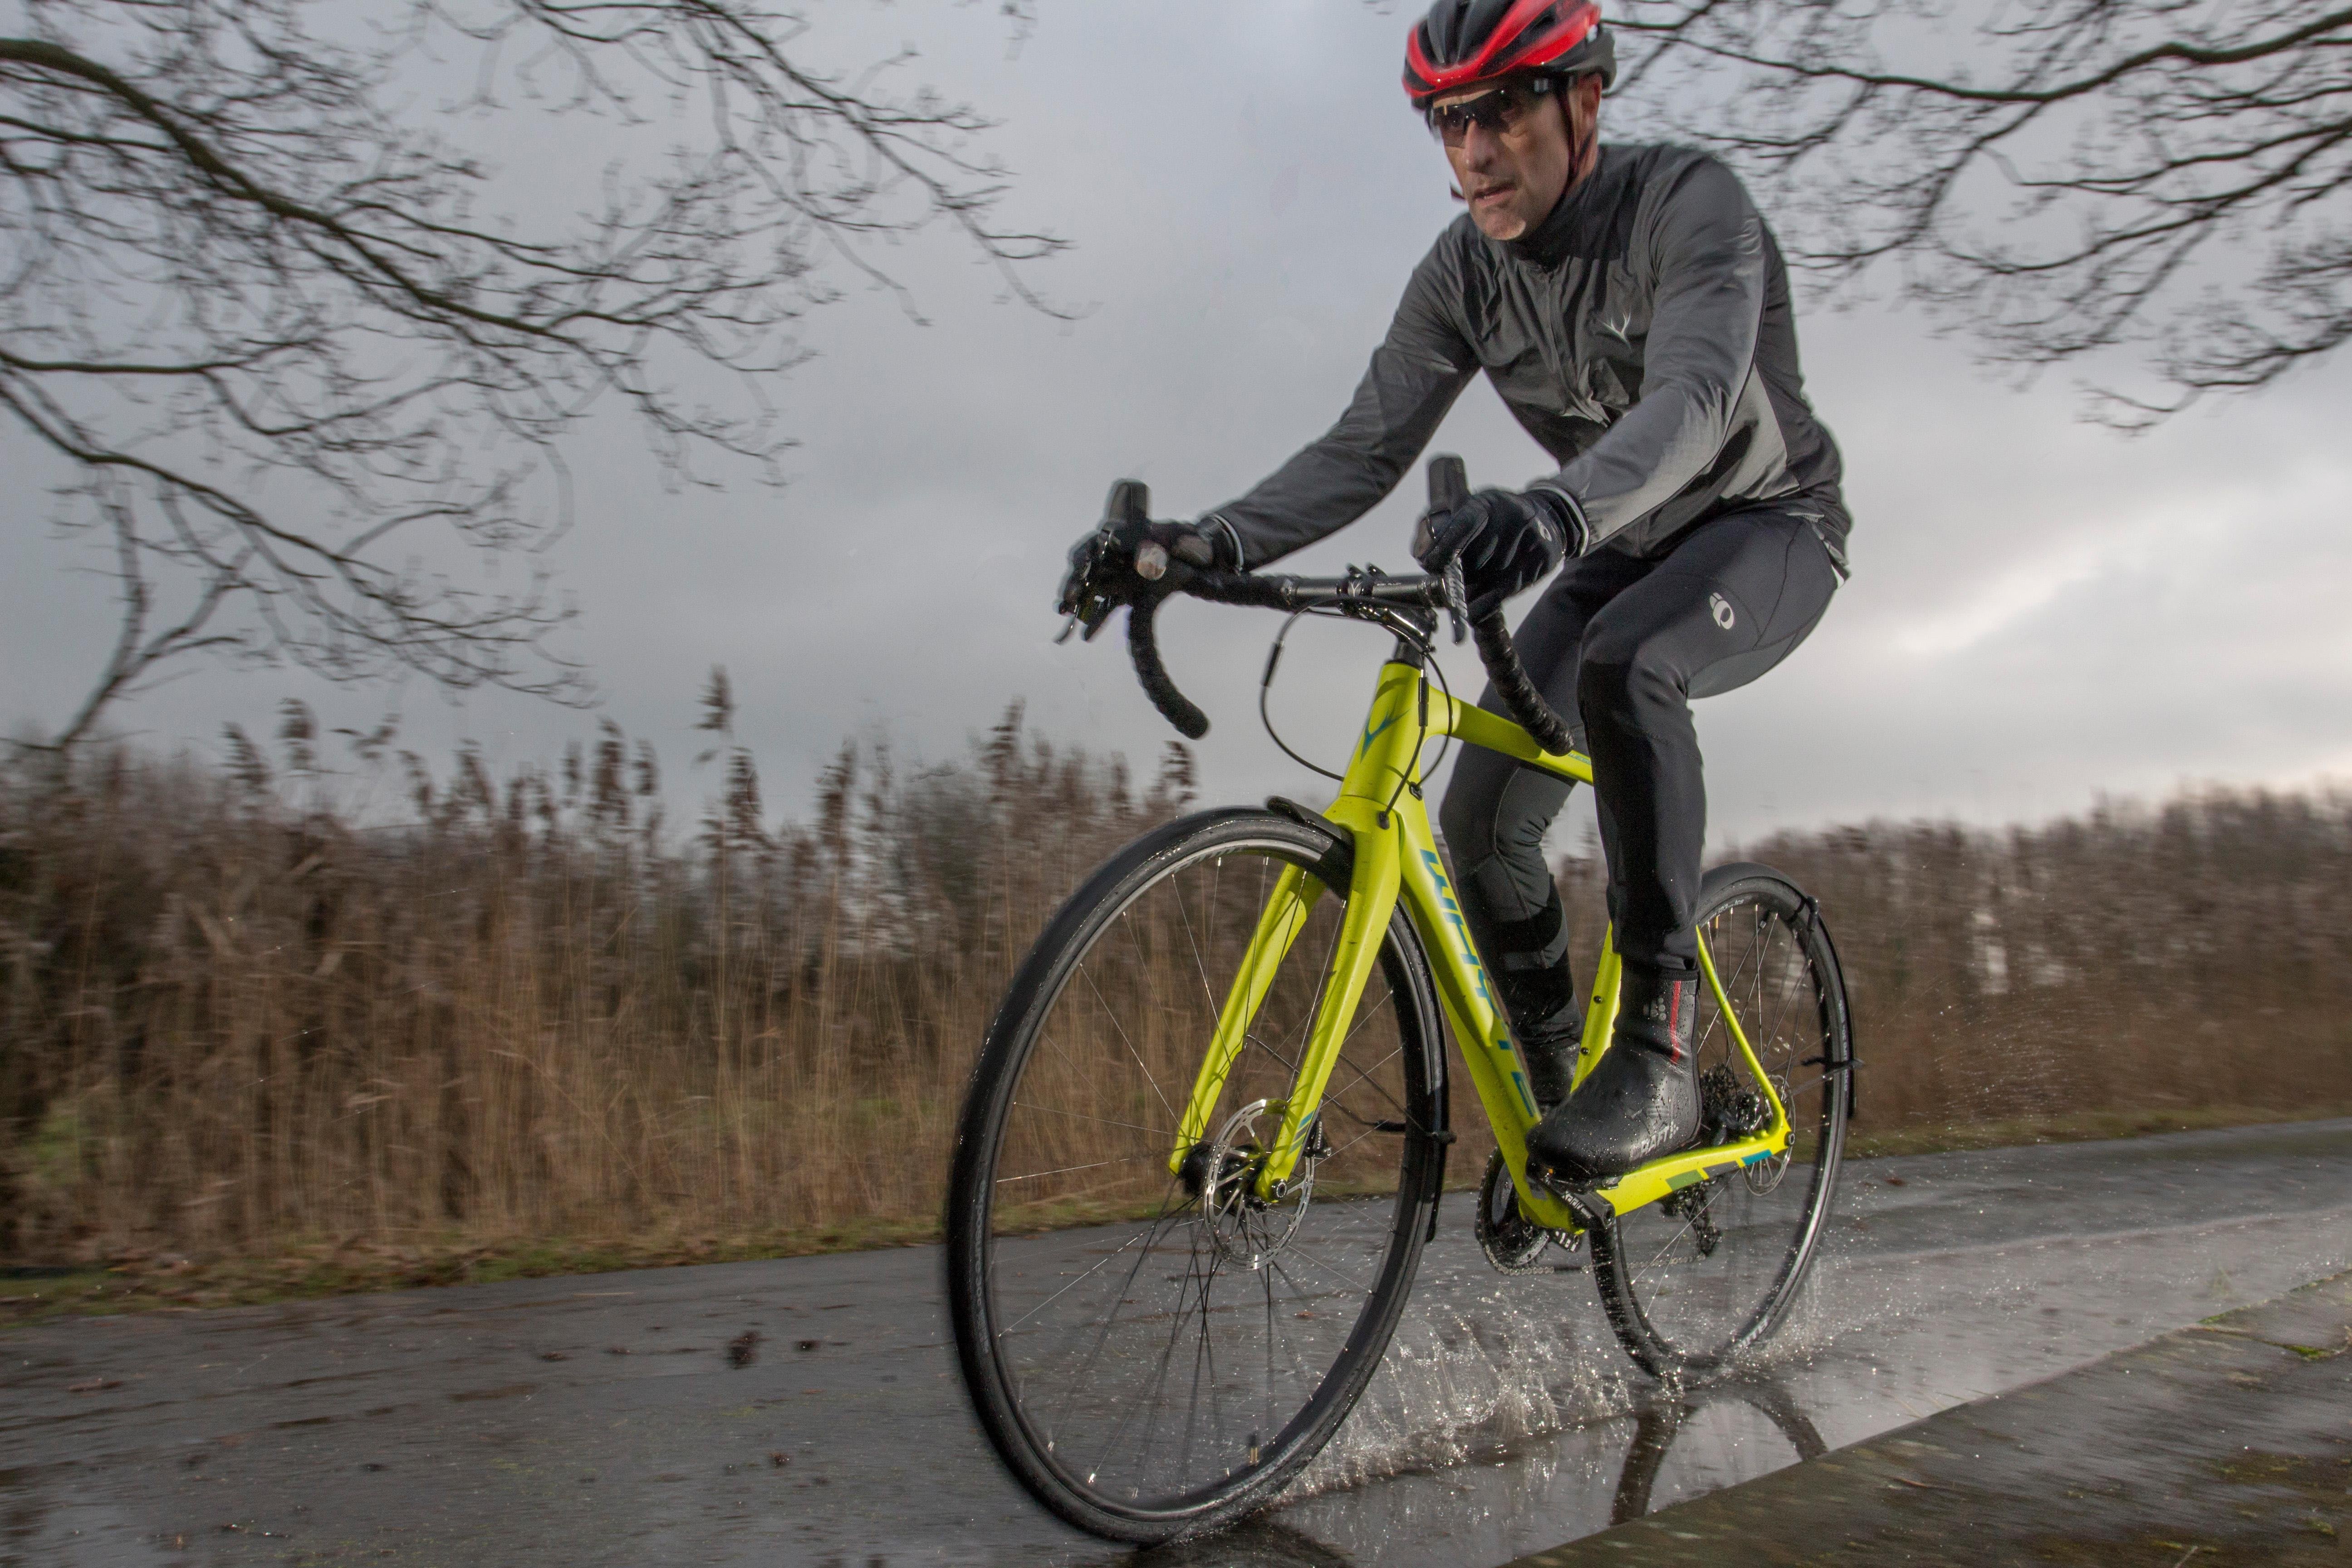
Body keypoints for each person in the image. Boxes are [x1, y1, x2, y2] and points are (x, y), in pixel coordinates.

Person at [1059, 0, 1848, 1184]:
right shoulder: (1464, 274)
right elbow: (1362, 451)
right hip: (1610, 544)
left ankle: (1659, 1057)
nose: (1473, 150)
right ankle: (1554, 1106)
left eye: (1503, 111)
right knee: (1480, 823)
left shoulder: (1691, 206)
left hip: (1761, 525)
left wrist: (1553, 513)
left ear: (1584, 99)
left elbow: (1692, 402)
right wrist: (1203, 544)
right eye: (1446, 122)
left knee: (1630, 666)